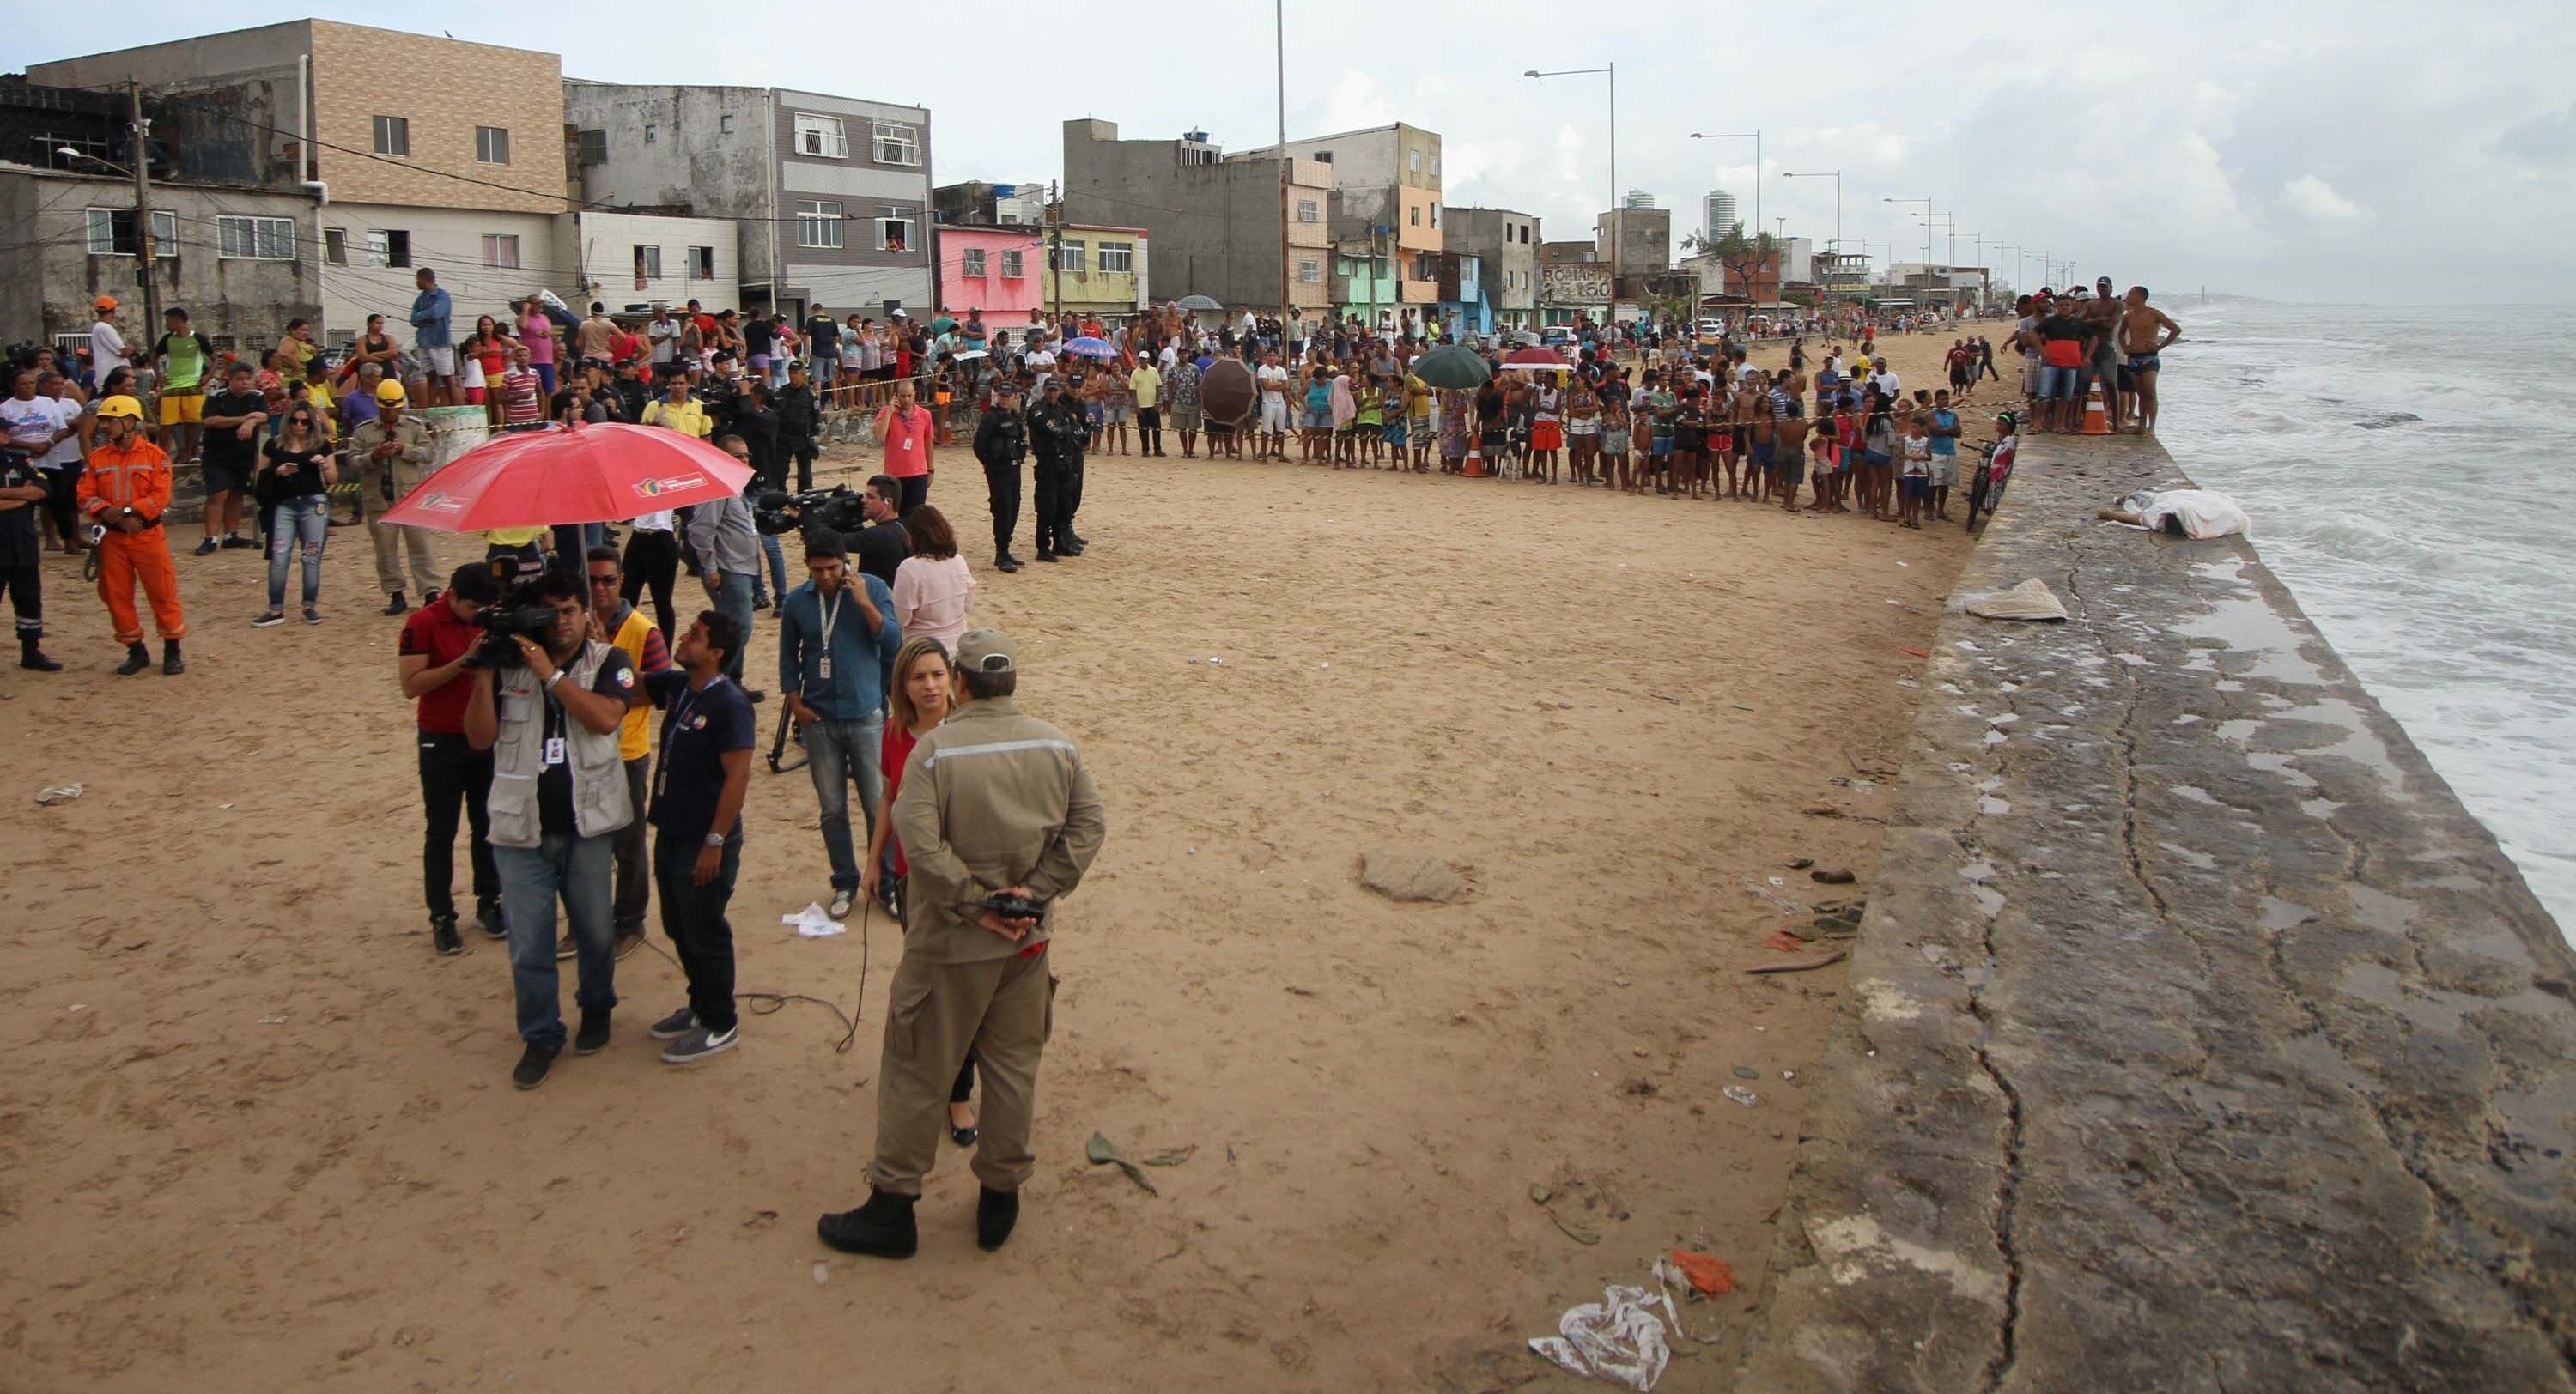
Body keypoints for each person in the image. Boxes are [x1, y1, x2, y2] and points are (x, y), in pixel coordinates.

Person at [817, 628, 1106, 1259]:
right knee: (1012, 1071)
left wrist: (979, 905)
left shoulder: (934, 752)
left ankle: (893, 1205)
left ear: (961, 683)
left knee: (916, 1070)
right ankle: (1000, 1195)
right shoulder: (1057, 745)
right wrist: (1033, 895)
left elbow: (920, 845)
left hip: (950, 947)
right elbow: (1089, 825)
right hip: (1026, 945)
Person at [464, 569, 637, 1089]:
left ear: (586, 612)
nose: (561, 622)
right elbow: (479, 739)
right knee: (529, 945)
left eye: (569, 611)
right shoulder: (508, 665)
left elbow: (606, 719)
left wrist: (552, 676)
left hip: (589, 824)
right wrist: (481, 676)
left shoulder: (610, 661)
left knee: (596, 932)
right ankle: (540, 1034)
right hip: (520, 829)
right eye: (551, 612)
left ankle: (597, 1007)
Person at [859, 636, 981, 1134]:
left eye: (937, 675)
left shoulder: (970, 728)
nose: (930, 686)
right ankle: (935, 1081)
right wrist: (873, 862)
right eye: (919, 677)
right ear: (903, 686)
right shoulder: (895, 734)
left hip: (966, 878)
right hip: (913, 881)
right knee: (929, 989)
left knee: (967, 989)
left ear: (953, 679)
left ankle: (959, 1094)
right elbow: (889, 799)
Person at [639, 608, 756, 1064]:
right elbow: (629, 684)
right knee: (677, 923)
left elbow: (738, 777)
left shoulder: (729, 704)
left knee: (705, 928)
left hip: (705, 839)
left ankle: (721, 1022)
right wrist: (603, 650)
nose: (684, 639)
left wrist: (715, 842)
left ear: (715, 653)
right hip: (672, 828)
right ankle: (700, 1004)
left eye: (695, 636)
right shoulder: (680, 687)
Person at [778, 531, 902, 921]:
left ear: (845, 562)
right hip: (819, 718)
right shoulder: (798, 601)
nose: (826, 576)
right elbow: (788, 656)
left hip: (865, 714)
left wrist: (864, 602)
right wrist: (795, 702)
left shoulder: (874, 588)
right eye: (817, 570)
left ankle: (887, 883)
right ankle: (845, 882)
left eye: (832, 568)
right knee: (832, 808)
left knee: (877, 805)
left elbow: (892, 640)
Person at [400, 564, 507, 955]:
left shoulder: (494, 621)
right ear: (452, 596)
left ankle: (489, 899)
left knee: (487, 824)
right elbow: (411, 685)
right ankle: (442, 915)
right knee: (441, 830)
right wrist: (462, 662)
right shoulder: (423, 622)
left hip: (484, 735)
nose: (479, 615)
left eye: (485, 608)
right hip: (440, 737)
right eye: (472, 608)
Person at [576, 545, 674, 964]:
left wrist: (607, 663)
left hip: (627, 751)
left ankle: (630, 922)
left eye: (608, 580)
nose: (600, 588)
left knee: (628, 845)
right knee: (582, 843)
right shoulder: (571, 624)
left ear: (622, 581)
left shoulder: (643, 631)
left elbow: (661, 691)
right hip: (582, 750)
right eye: (592, 580)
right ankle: (585, 921)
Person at [78, 394, 185, 675]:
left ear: (129, 422)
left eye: (110, 421)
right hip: (113, 538)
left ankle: (172, 648)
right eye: (103, 421)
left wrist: (126, 512)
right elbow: (85, 495)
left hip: (147, 535)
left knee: (162, 591)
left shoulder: (155, 456)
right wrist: (108, 513)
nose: (104, 426)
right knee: (115, 595)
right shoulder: (97, 458)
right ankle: (135, 650)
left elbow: (160, 496)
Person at [352, 379, 440, 614]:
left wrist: (404, 450)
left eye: (395, 407)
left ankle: (430, 591)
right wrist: (374, 455)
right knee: (385, 552)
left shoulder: (413, 427)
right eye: (386, 408)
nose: (391, 412)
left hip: (410, 497)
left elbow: (429, 453)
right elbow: (353, 461)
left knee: (421, 547)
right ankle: (396, 594)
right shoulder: (364, 431)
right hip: (379, 499)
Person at [250, 400, 337, 627]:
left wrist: (323, 466)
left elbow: (333, 478)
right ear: (287, 421)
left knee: (311, 556)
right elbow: (259, 477)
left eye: (304, 422)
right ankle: (275, 609)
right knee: (279, 556)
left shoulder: (321, 445)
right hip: (284, 504)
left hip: (313, 503)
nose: (299, 425)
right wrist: (277, 472)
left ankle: (309, 605)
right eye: (294, 421)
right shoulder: (274, 445)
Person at [689, 437, 762, 686]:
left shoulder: (735, 487)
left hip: (742, 566)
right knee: (738, 629)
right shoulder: (717, 488)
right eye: (738, 455)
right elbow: (700, 530)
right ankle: (718, 683)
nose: (744, 460)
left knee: (734, 629)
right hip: (728, 569)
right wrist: (710, 567)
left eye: (747, 455)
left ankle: (733, 682)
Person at [0, 380, 61, 670]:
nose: (7, 435)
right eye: (2, 431)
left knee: (29, 599)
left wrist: (5, 496)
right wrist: (21, 495)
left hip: (22, 542)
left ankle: (31, 652)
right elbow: (30, 493)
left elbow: (42, 490)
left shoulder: (19, 460)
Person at [893, 505, 976, 655]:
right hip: (958, 646)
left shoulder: (909, 568)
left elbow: (902, 619)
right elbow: (968, 605)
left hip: (922, 650)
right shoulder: (959, 561)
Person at [1025, 379, 1085, 562]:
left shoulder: (1061, 409)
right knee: (1047, 507)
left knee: (1064, 505)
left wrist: (1065, 430)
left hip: (1064, 463)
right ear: (1044, 390)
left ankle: (1060, 542)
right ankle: (1043, 547)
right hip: (1048, 464)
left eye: (1055, 390)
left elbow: (1077, 429)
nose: (1052, 394)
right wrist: (1066, 430)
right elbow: (1051, 430)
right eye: (1050, 390)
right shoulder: (1038, 409)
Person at [974, 380, 1028, 573]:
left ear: (1014, 398)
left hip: (1014, 468)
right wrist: (989, 464)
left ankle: (1006, 548)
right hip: (999, 470)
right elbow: (979, 445)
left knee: (1014, 507)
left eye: (1008, 396)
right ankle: (1001, 552)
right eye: (1002, 396)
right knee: (1003, 508)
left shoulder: (1015, 416)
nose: (1004, 400)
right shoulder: (991, 417)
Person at [149, 307, 215, 464]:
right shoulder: (167, 339)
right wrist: (159, 377)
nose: (166, 324)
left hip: (192, 385)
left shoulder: (198, 339)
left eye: (168, 321)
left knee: (192, 422)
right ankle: (162, 456)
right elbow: (154, 358)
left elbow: (214, 358)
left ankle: (189, 453)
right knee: (166, 423)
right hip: (171, 386)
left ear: (177, 321)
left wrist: (208, 376)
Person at [2117, 287, 2182, 435]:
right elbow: (2121, 334)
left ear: (2141, 297)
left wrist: (2160, 346)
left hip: (2149, 357)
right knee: (2140, 393)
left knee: (2150, 392)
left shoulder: (2153, 313)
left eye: (2131, 294)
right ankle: (2141, 424)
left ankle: (2151, 427)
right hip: (2134, 357)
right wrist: (2125, 347)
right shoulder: (2128, 316)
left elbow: (2175, 329)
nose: (2128, 296)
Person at [878, 380, 935, 515]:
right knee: (894, 514)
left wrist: (930, 470)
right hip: (894, 474)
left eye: (909, 396)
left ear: (914, 394)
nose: (906, 400)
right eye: (903, 396)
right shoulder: (886, 412)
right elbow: (880, 436)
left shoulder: (925, 414)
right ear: (896, 396)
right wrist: (889, 413)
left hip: (918, 474)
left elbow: (928, 443)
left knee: (915, 516)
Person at [848, 476, 914, 591]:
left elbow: (834, 542)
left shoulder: (878, 535)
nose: (863, 500)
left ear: (888, 502)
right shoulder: (902, 526)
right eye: (864, 495)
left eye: (870, 497)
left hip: (879, 598)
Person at [410, 269, 458, 406]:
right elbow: (413, 320)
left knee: (447, 377)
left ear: (425, 279)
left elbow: (436, 313)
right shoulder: (420, 299)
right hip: (424, 343)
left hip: (440, 342)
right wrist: (427, 316)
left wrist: (422, 316)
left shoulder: (442, 296)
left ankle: (454, 406)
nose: (416, 282)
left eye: (417, 279)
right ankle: (432, 407)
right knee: (430, 377)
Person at [1925, 390, 1963, 522]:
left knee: (1945, 483)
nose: (1945, 402)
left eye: (1947, 399)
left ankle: (1941, 510)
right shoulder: (1930, 414)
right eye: (1942, 399)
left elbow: (1958, 433)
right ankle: (1929, 509)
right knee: (1934, 483)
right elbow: (1935, 431)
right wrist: (1950, 430)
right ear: (1936, 401)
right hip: (1936, 452)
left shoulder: (1953, 414)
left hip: (1950, 452)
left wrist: (1944, 430)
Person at [519, 295, 560, 398]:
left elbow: (552, 332)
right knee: (535, 391)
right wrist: (525, 310)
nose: (540, 305)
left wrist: (548, 334)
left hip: (547, 360)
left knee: (549, 391)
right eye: (537, 303)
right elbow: (523, 326)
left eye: (541, 302)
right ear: (529, 305)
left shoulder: (545, 318)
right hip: (532, 360)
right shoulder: (522, 317)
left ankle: (547, 410)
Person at [90, 296, 131, 386]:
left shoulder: (98, 328)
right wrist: (131, 348)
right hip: (113, 380)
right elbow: (124, 352)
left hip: (108, 379)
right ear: (113, 311)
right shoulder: (105, 328)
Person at [1129, 356, 1163, 458]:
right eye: (1141, 359)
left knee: (1157, 429)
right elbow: (1133, 390)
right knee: (1143, 430)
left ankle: (1157, 449)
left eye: (1144, 359)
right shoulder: (1135, 373)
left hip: (1153, 405)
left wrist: (1157, 402)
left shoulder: (1154, 371)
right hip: (1141, 406)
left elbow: (1158, 387)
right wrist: (1136, 406)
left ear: (1148, 359)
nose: (1143, 361)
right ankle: (1145, 450)